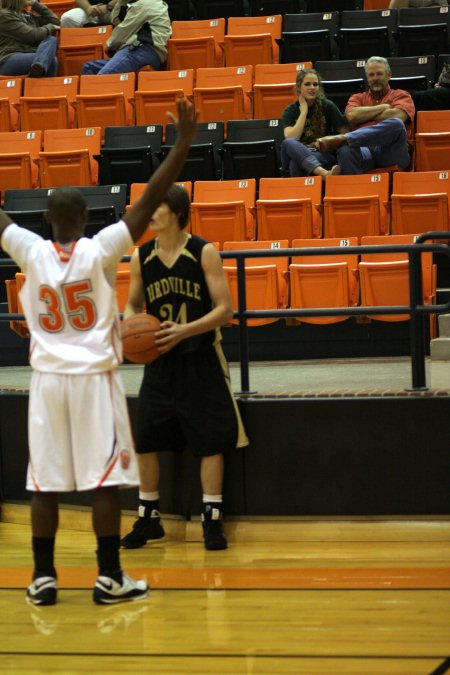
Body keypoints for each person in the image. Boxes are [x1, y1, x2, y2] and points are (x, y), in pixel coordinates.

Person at [0, 99, 197, 606]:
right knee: (104, 482)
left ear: (46, 220)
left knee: (44, 484)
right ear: (86, 218)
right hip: (93, 378)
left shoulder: (29, 248)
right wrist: (180, 144)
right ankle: (109, 576)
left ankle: (43, 578)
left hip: (46, 383)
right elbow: (150, 196)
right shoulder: (101, 247)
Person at [120, 187, 249, 553]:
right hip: (159, 363)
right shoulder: (141, 257)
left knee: (210, 443)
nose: (148, 215)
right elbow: (131, 305)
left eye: (155, 208)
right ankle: (148, 517)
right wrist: (131, 326)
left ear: (175, 212)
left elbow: (225, 309)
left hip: (198, 358)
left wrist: (185, 331)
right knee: (144, 438)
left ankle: (212, 520)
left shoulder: (203, 252)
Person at [314, 56, 415, 175]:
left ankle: (344, 138)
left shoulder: (401, 95)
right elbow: (351, 115)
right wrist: (384, 107)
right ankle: (355, 191)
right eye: (371, 75)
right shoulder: (357, 98)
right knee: (345, 149)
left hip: (391, 151)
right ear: (367, 78)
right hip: (364, 149)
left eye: (379, 74)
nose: (375, 78)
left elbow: (398, 116)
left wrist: (365, 115)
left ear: (388, 75)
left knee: (396, 124)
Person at [280, 68, 348, 178]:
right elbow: (292, 137)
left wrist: (326, 143)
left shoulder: (328, 106)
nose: (312, 88)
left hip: (322, 154)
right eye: (307, 84)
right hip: (298, 151)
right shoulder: (291, 110)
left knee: (295, 165)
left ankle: (307, 193)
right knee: (288, 143)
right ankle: (323, 174)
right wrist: (303, 112)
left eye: (315, 84)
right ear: (299, 87)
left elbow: (345, 134)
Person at [81, 0, 170, 75]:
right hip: (142, 52)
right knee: (89, 67)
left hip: (142, 50)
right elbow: (115, 20)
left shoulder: (145, 4)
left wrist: (108, 46)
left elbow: (122, 32)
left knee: (102, 79)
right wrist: (121, 2)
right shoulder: (144, 4)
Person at [0, 0, 59, 78]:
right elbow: (32, 35)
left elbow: (55, 21)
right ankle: (39, 67)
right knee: (50, 61)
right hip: (9, 59)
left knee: (51, 40)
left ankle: (39, 68)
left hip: (31, 55)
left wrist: (35, 4)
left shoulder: (28, 16)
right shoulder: (3, 15)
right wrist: (50, 27)